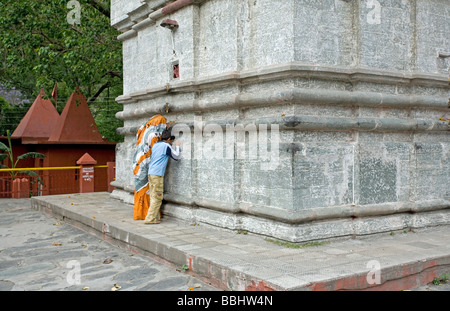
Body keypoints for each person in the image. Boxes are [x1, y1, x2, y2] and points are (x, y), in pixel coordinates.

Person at [144, 129, 181, 224]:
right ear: (168, 139)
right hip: (157, 174)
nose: (172, 143)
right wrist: (177, 146)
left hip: (151, 173)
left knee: (153, 196)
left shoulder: (156, 145)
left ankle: (155, 218)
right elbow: (176, 157)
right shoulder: (166, 146)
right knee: (157, 197)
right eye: (172, 141)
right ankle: (150, 219)